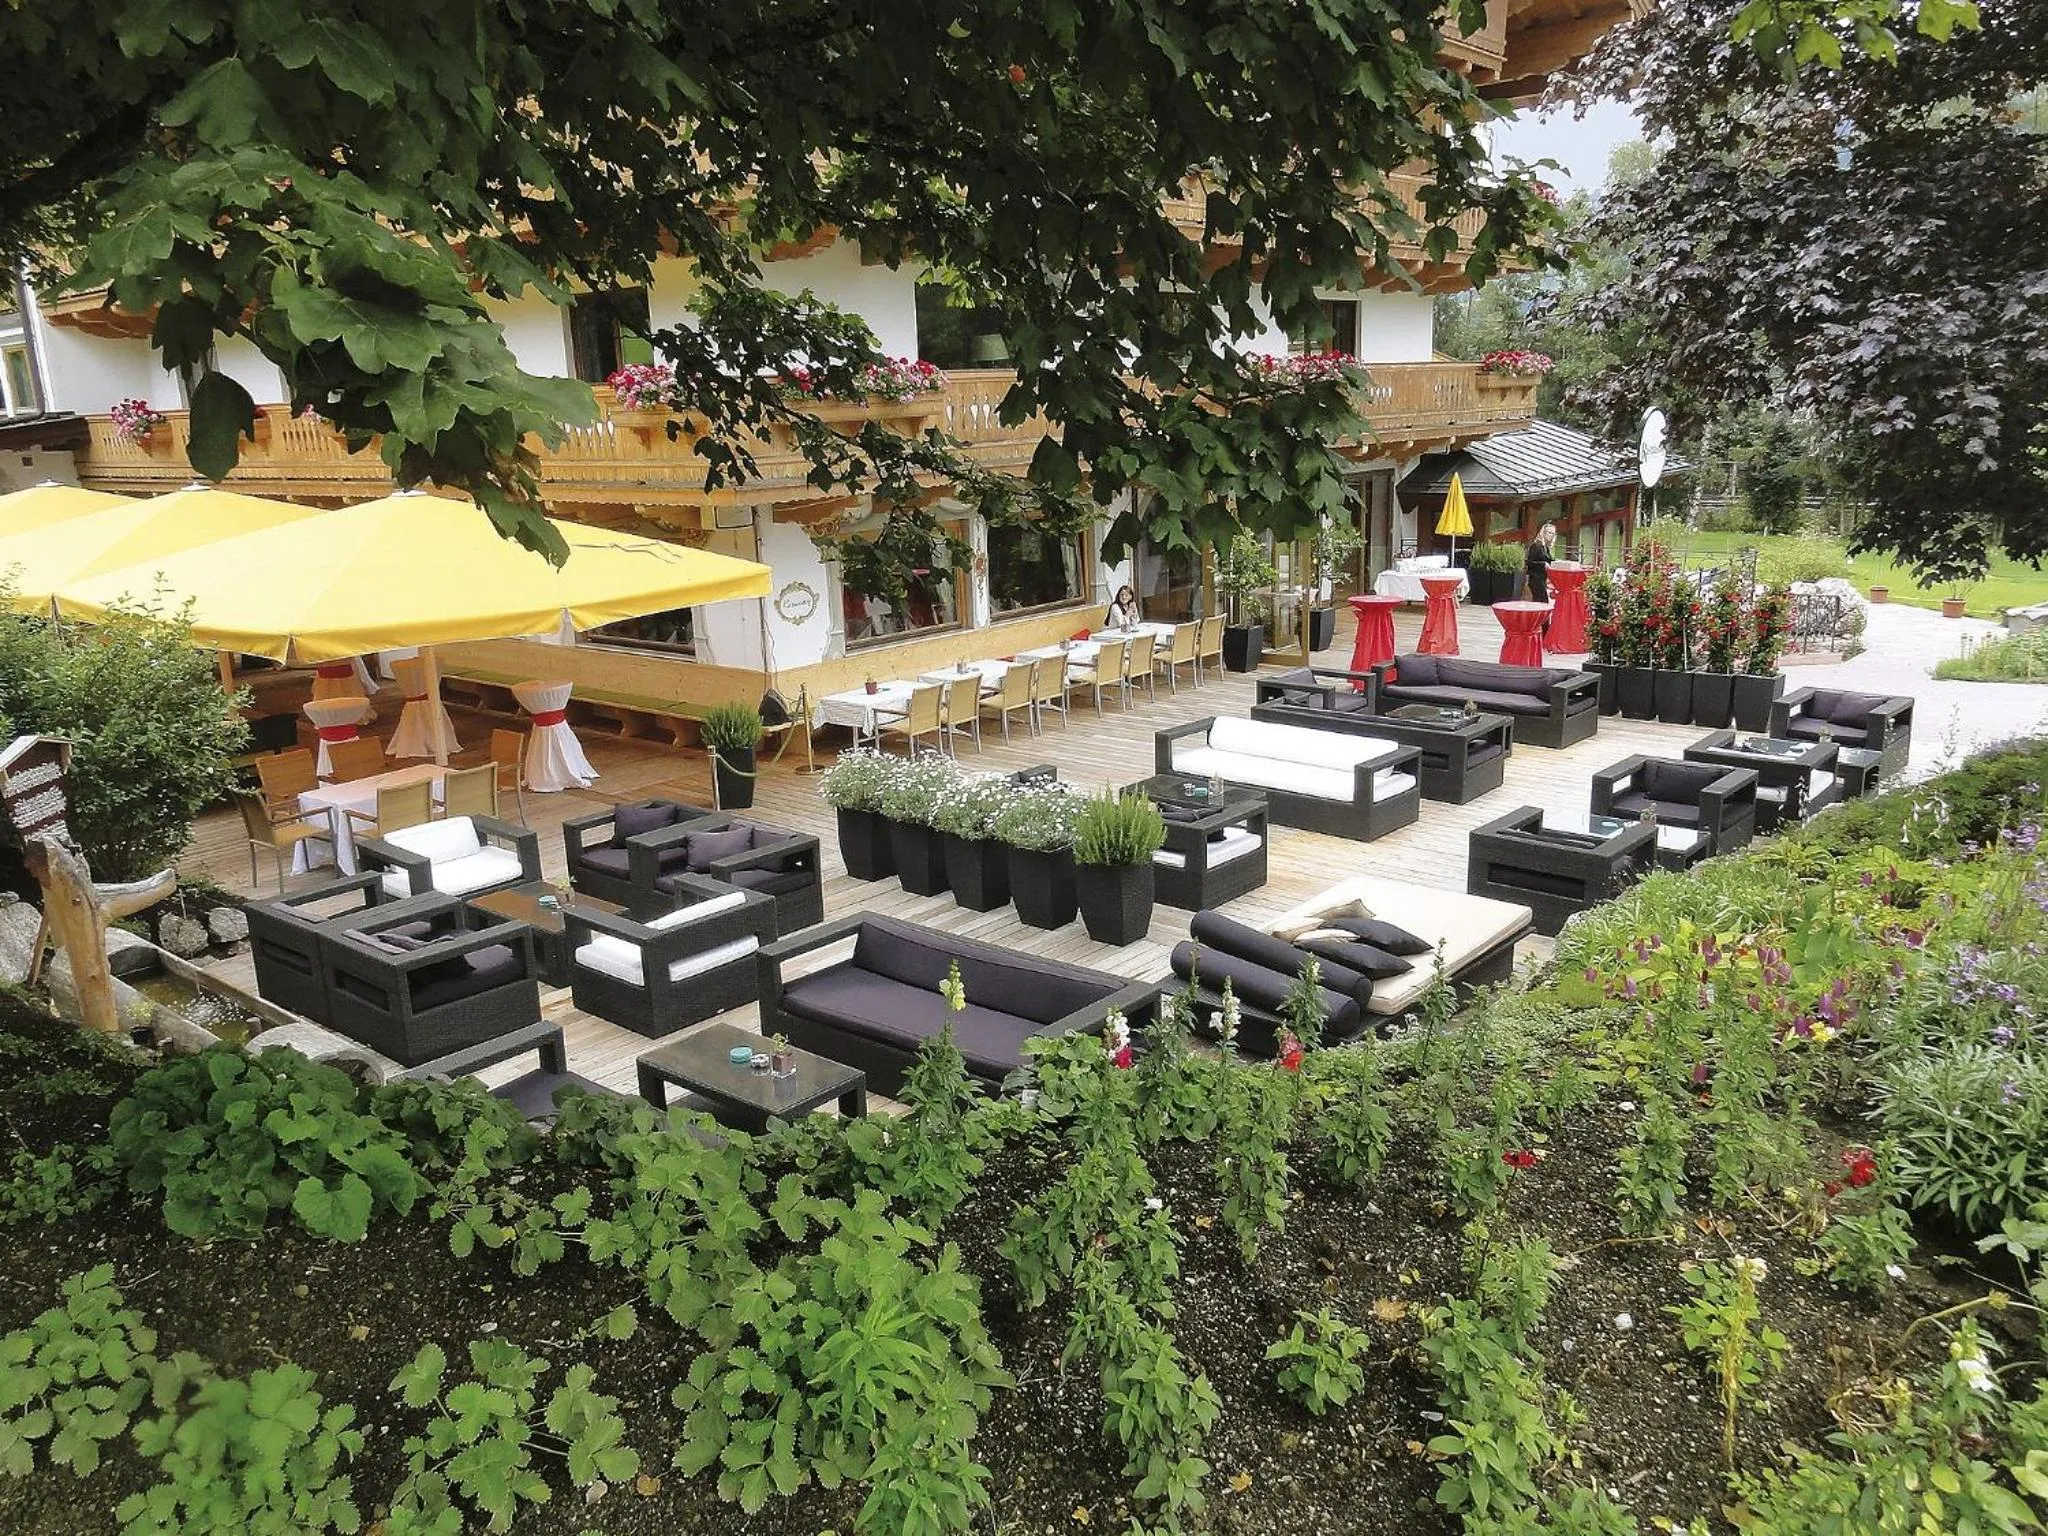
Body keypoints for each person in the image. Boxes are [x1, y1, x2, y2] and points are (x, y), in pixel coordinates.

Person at [1524, 523, 1557, 604]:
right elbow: (1529, 562)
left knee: (1541, 602)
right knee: (1542, 602)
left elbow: (1548, 560)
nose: (1551, 535)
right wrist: (1543, 564)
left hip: (1542, 578)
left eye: (1553, 533)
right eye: (1549, 533)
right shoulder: (1536, 546)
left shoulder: (1545, 547)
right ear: (1543, 533)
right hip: (1535, 578)